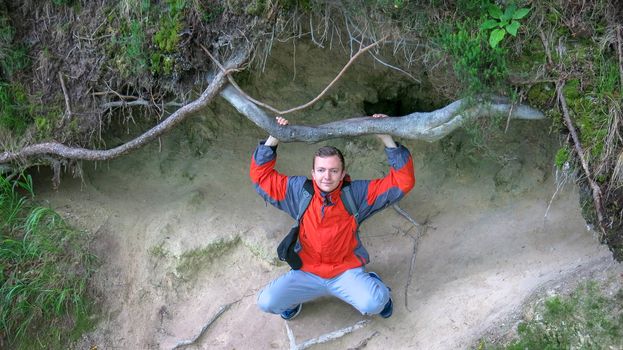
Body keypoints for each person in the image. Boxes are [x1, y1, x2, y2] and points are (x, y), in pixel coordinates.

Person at [250, 115, 415, 320]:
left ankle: (369, 282)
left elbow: (403, 181)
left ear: (342, 172)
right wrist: (273, 138)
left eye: (333, 171)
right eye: (321, 170)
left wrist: (387, 140)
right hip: (307, 272)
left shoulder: (356, 194)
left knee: (375, 304)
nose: (326, 177)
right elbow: (261, 177)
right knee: (267, 302)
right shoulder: (299, 192)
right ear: (313, 172)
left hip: (345, 272)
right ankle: (292, 301)